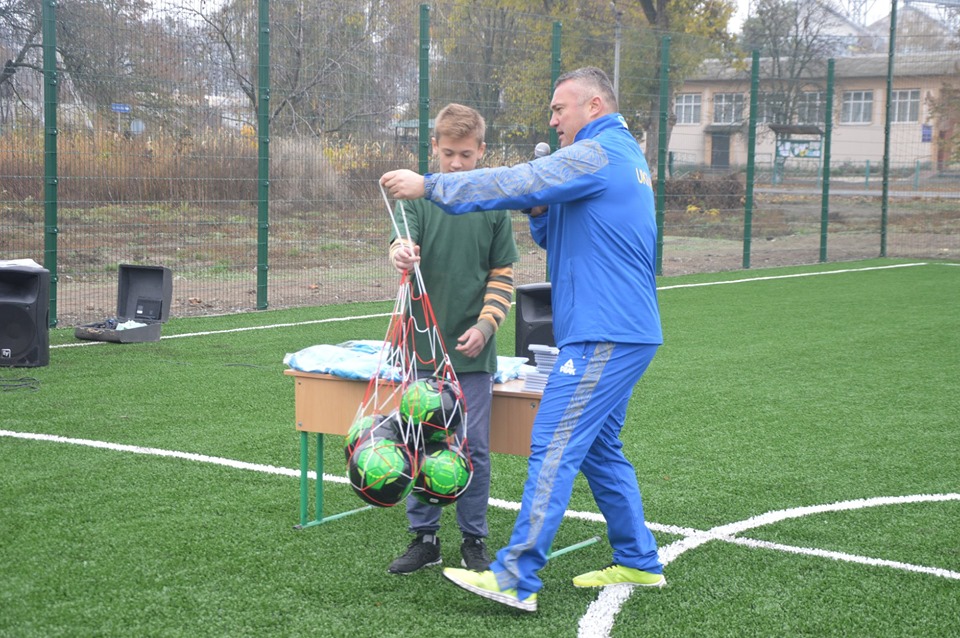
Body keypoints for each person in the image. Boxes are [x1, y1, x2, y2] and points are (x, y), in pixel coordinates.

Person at [380, 67, 664, 611]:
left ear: (595, 106)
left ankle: (515, 577)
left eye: (561, 109)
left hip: (606, 330)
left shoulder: (599, 151)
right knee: (601, 450)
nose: (553, 119)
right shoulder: (615, 158)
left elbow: (515, 180)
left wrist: (431, 185)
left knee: (553, 443)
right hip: (618, 328)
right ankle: (639, 559)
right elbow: (552, 225)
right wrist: (539, 207)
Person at [386, 103, 519, 576]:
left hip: (474, 355)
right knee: (420, 441)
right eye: (447, 154)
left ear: (482, 150)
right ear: (435, 150)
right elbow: (402, 240)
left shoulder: (495, 205)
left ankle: (474, 539)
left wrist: (486, 327)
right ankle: (424, 539)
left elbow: (503, 274)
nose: (456, 164)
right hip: (420, 348)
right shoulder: (418, 197)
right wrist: (402, 253)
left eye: (465, 154)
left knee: (472, 448)